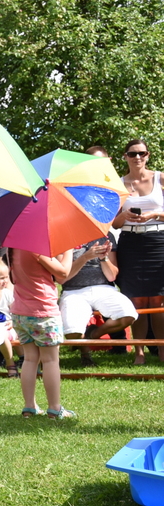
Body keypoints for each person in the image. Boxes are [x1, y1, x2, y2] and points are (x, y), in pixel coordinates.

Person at [112, 138, 164, 364]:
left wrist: (154, 215)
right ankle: (139, 351)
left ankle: (161, 349)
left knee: (159, 300)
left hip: (158, 241)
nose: (137, 158)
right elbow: (111, 223)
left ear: (148, 155)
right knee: (136, 300)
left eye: (142, 153)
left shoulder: (160, 178)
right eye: (132, 154)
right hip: (130, 243)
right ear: (125, 157)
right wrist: (123, 217)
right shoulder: (118, 183)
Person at [10, 248, 74, 419]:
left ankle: (29, 407)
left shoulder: (14, 247)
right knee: (50, 360)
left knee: (30, 359)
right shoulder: (35, 248)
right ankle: (54, 408)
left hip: (20, 312)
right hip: (43, 313)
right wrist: (68, 250)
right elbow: (63, 273)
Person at [59, 236, 137, 367]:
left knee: (128, 315)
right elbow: (61, 278)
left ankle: (92, 335)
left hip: (103, 288)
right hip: (73, 290)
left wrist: (103, 257)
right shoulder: (62, 240)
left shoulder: (105, 237)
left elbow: (112, 276)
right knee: (72, 331)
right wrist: (85, 257)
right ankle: (85, 354)